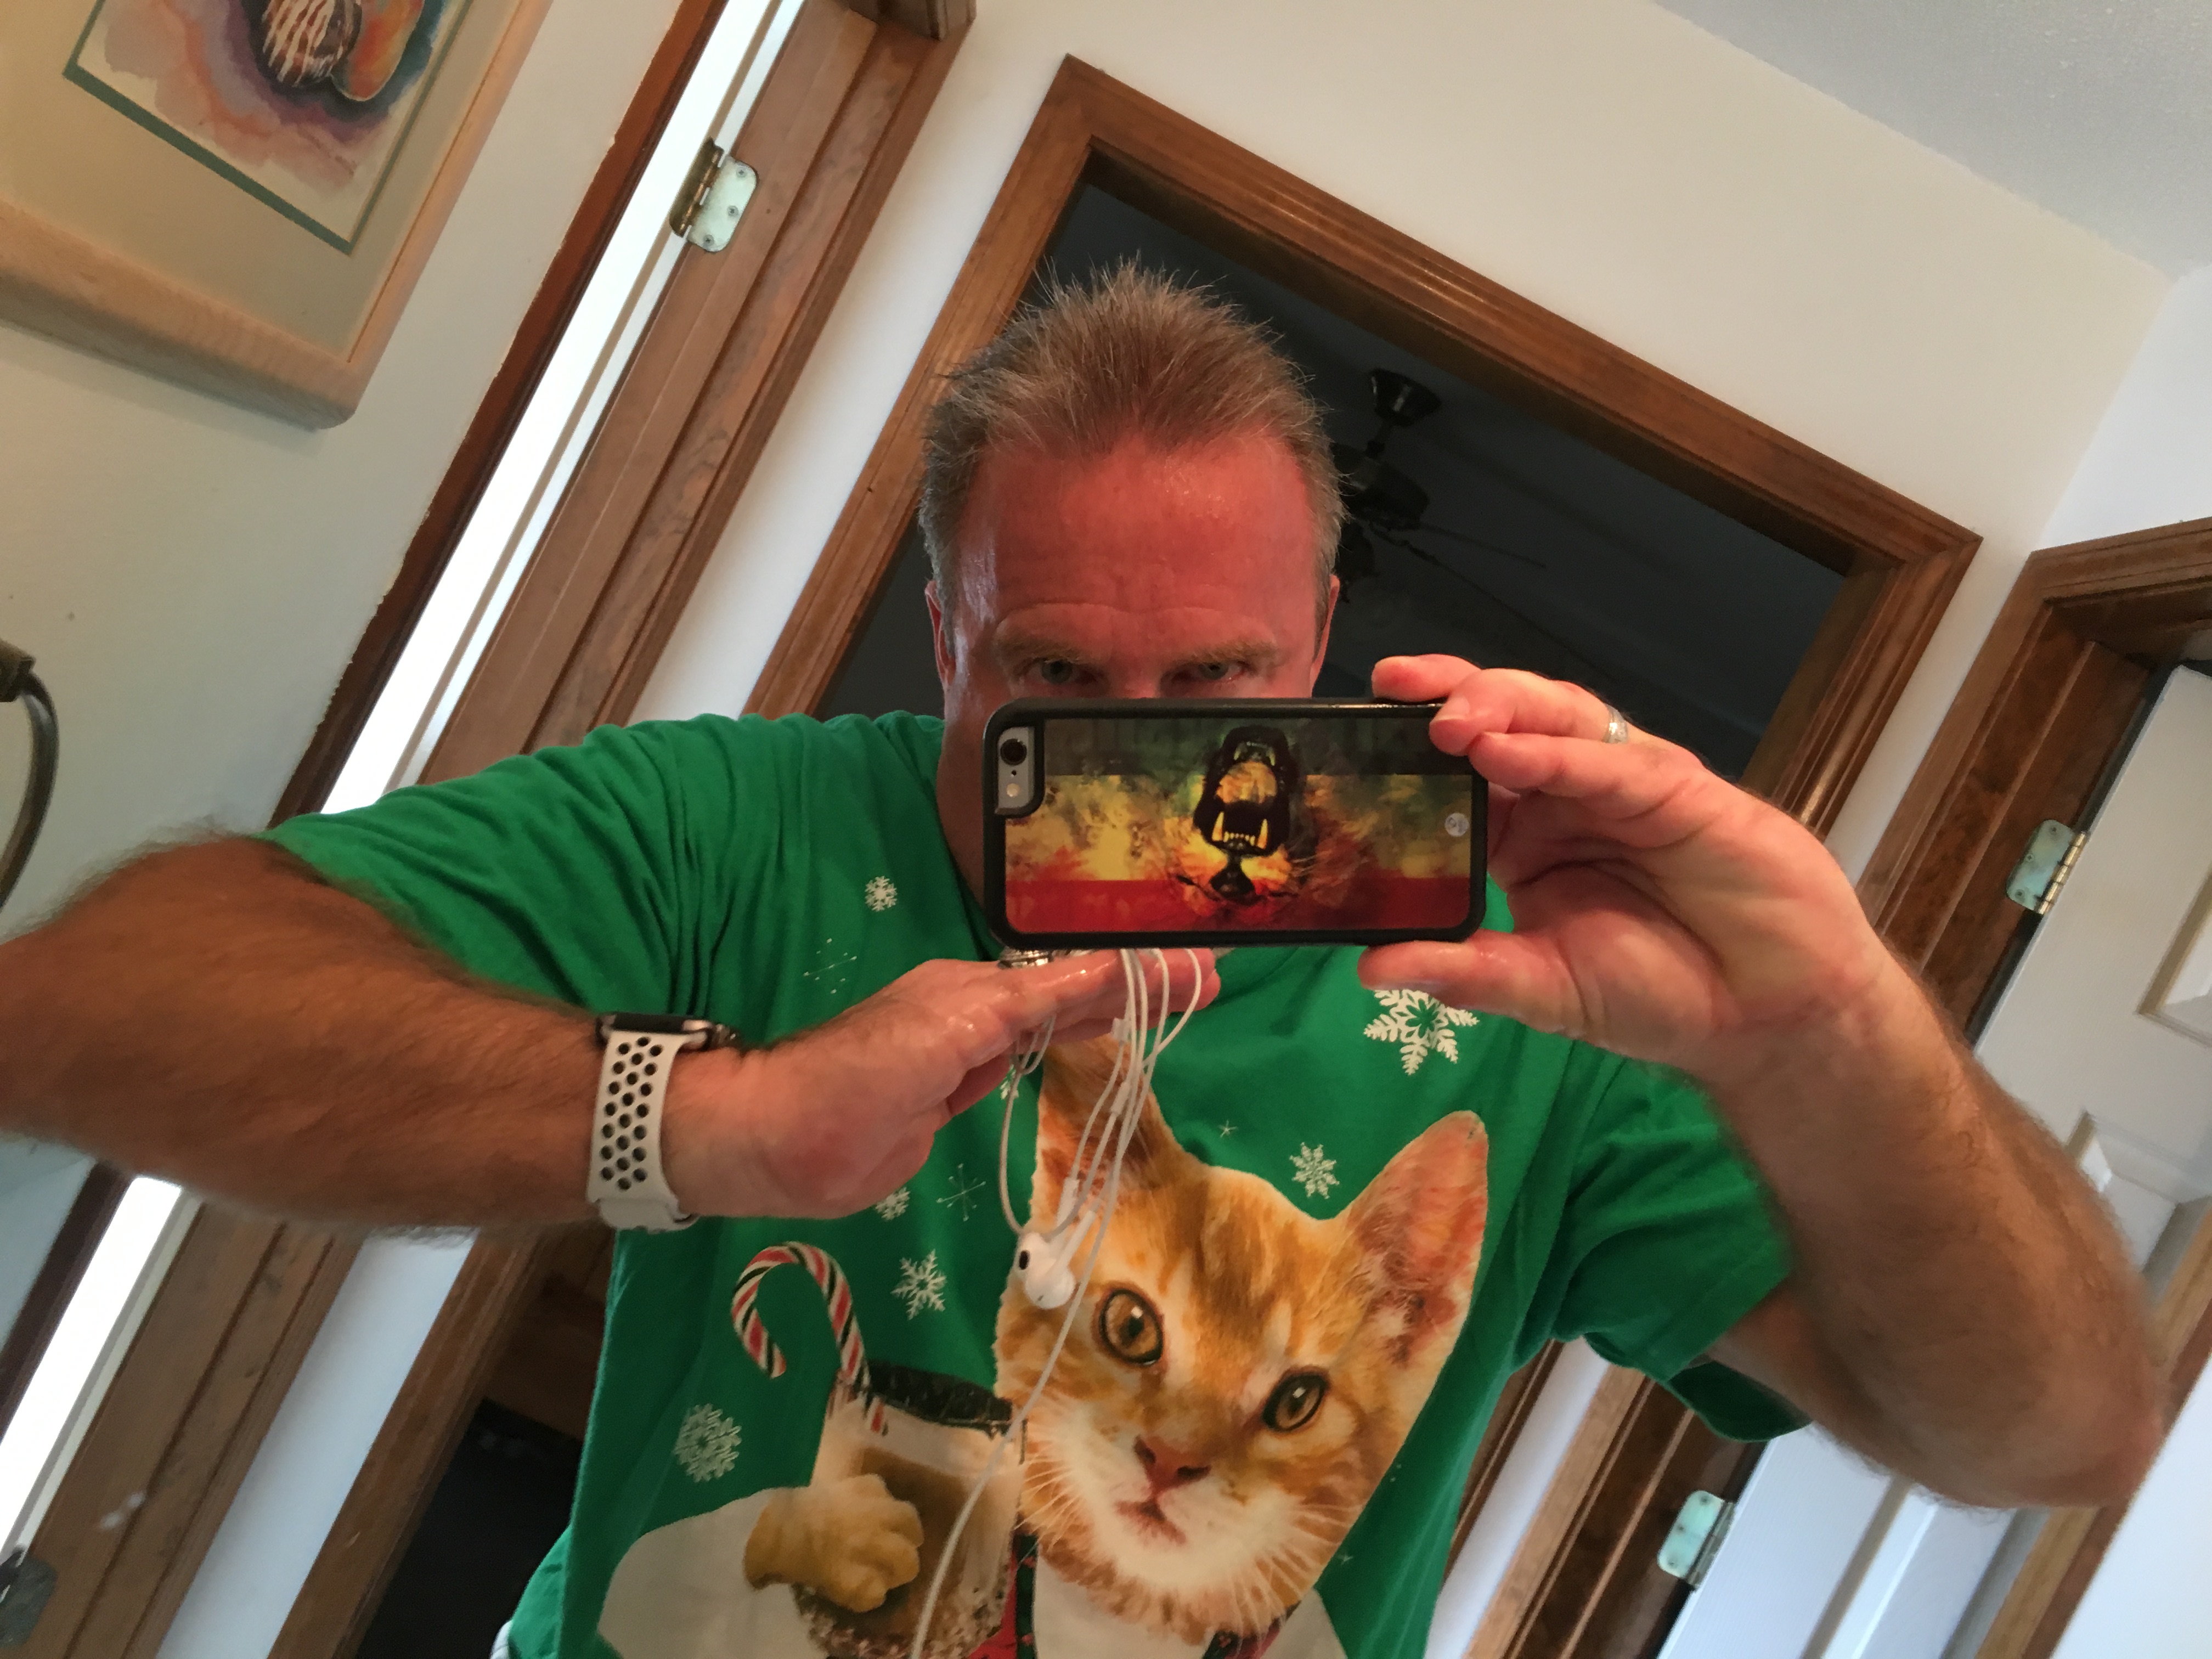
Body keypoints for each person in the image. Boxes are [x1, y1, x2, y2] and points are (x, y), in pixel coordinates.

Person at [0, 268, 2158, 1659]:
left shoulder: (1535, 992)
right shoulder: (744, 824)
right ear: (943, 625)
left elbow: (2056, 1429)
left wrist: (1834, 1030)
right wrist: (714, 1127)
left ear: (1326, 635)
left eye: (1215, 682)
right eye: (1050, 680)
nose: (1139, 759)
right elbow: (79, 1017)